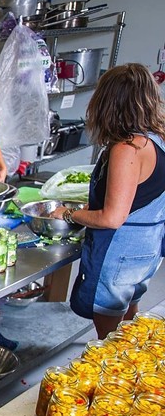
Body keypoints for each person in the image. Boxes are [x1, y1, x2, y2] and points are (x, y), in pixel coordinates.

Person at [51, 63, 165, 339]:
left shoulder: (128, 148)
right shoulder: (156, 139)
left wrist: (68, 214)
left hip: (120, 254)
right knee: (128, 326)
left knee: (110, 342)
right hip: (146, 250)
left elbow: (113, 217)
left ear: (108, 104)